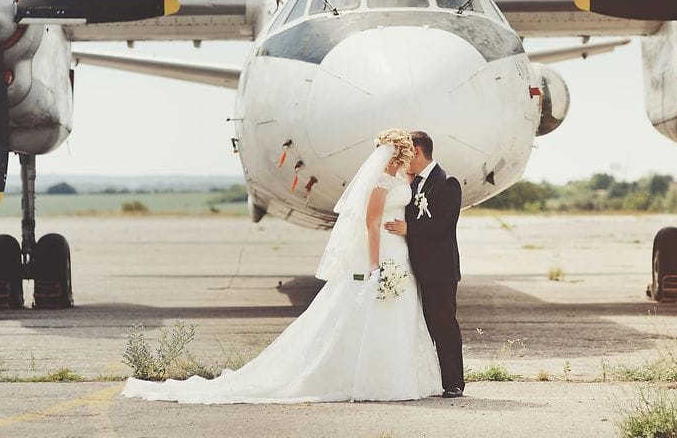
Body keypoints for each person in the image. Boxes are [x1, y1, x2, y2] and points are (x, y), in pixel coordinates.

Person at [122, 129, 442, 403]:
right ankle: (375, 378)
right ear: (401, 154)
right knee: (366, 311)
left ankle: (398, 376)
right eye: (406, 153)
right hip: (383, 252)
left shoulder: (400, 180)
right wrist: (374, 265)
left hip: (400, 251)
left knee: (399, 312)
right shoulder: (381, 185)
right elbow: (372, 224)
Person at [384, 131, 465, 398]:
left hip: (440, 270)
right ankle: (426, 378)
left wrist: (410, 229)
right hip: (414, 268)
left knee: (443, 326)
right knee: (423, 327)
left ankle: (454, 383)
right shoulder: (414, 183)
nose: (405, 157)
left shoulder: (447, 182)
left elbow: (444, 225)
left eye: (408, 152)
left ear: (417, 151)